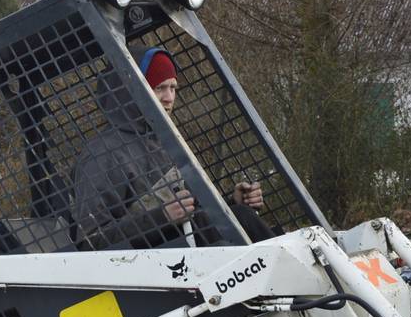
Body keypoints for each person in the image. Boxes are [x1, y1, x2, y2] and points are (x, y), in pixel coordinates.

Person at [72, 46, 272, 249]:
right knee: (244, 220)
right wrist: (161, 218)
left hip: (190, 255)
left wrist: (231, 204)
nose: (169, 97)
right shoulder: (101, 154)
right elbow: (90, 241)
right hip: (153, 264)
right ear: (130, 90)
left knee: (242, 217)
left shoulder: (166, 141)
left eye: (173, 88)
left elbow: (192, 214)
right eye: (159, 88)